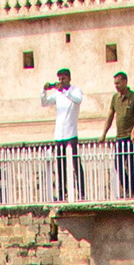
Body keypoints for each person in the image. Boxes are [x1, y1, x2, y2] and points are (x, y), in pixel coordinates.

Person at [44, 66, 84, 200]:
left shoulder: (75, 91)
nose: (61, 81)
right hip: (59, 134)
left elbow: (77, 100)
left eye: (63, 78)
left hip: (71, 133)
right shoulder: (57, 95)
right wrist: (44, 90)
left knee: (75, 164)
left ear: (69, 78)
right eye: (59, 79)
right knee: (60, 165)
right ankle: (62, 193)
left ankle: (81, 192)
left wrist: (64, 91)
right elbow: (44, 103)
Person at [103, 69, 134, 197]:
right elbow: (110, 115)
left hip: (130, 137)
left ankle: (131, 191)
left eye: (118, 83)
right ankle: (126, 188)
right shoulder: (115, 98)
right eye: (115, 84)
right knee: (118, 164)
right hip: (119, 137)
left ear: (125, 82)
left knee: (130, 164)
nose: (116, 86)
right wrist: (104, 133)